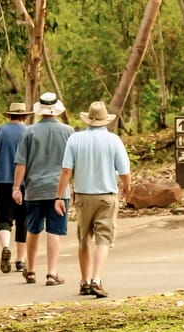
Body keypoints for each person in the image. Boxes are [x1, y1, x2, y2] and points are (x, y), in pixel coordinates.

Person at [55, 101, 131, 298]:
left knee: (84, 238)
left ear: (88, 119)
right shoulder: (114, 140)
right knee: (103, 238)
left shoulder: (75, 139)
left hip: (82, 196)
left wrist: (59, 196)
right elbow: (124, 171)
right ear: (105, 121)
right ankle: (97, 279)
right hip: (106, 196)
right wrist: (127, 187)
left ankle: (84, 281)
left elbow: (66, 170)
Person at [13, 92, 74, 285]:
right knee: (54, 231)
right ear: (56, 110)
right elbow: (72, 164)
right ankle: (51, 273)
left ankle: (30, 270)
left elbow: (21, 163)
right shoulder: (68, 131)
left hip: (34, 189)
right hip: (59, 190)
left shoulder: (28, 132)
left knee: (33, 229)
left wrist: (16, 187)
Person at [0, 103, 32, 274]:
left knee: (3, 217)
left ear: (9, 116)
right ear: (24, 116)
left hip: (2, 181)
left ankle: (5, 247)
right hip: (26, 182)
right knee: (22, 219)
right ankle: (20, 260)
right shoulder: (29, 132)